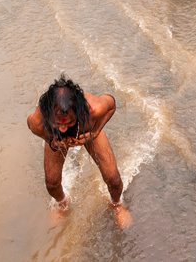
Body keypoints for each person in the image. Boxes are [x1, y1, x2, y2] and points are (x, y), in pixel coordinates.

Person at [27, 74, 132, 229]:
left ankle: (117, 205)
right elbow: (32, 127)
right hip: (56, 139)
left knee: (113, 179)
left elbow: (112, 104)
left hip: (88, 131)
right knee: (51, 183)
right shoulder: (39, 120)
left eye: (69, 122)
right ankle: (62, 203)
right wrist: (52, 140)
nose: (63, 128)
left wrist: (95, 132)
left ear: (79, 112)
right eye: (58, 123)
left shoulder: (93, 108)